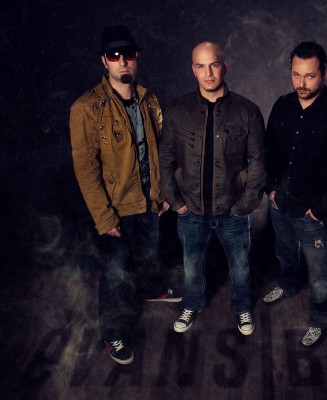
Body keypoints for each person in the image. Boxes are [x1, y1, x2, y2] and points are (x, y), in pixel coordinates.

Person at [69, 26, 180, 365]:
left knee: (148, 254)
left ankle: (151, 290)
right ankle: (113, 333)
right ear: (104, 62)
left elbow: (159, 150)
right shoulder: (87, 107)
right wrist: (104, 218)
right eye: (113, 56)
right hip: (115, 208)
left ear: (137, 57)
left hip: (148, 199)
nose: (122, 61)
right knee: (115, 274)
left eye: (127, 54)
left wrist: (162, 192)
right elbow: (86, 169)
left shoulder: (148, 99)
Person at [159, 42, 266, 336]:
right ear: (193, 70)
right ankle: (192, 304)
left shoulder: (247, 111)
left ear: (224, 66)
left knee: (240, 266)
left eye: (214, 65)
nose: (208, 73)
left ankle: (242, 307)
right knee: (192, 266)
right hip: (191, 210)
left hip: (233, 211)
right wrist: (175, 201)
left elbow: (258, 163)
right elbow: (165, 159)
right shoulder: (177, 110)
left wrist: (244, 206)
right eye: (201, 66)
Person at [263, 41, 327, 348]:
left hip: (312, 214)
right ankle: (288, 285)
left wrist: (321, 210)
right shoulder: (282, 106)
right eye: (296, 74)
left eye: (310, 76)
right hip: (280, 204)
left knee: (320, 274)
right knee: (285, 253)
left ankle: (320, 319)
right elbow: (267, 151)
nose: (301, 83)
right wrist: (270, 189)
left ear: (324, 74)